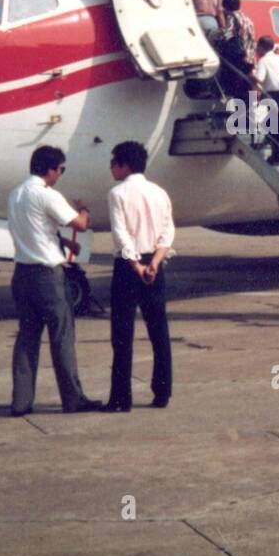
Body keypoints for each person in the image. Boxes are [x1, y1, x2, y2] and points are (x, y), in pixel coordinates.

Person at [6, 146, 103, 415]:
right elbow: (80, 225)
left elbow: (35, 230)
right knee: (61, 336)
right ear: (50, 170)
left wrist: (58, 240)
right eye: (61, 170)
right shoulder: (47, 195)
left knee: (27, 337)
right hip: (48, 276)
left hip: (22, 273)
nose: (60, 175)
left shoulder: (15, 194)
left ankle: (21, 401)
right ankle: (73, 399)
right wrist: (83, 209)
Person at [104, 141, 176, 412]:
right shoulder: (159, 192)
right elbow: (167, 232)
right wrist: (154, 263)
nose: (111, 168)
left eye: (113, 163)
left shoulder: (117, 193)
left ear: (124, 165)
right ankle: (162, 393)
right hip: (155, 265)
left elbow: (121, 235)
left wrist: (135, 266)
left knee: (122, 334)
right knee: (159, 330)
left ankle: (121, 398)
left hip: (128, 267)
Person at [253, 37, 279, 176]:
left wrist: (249, 76)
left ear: (261, 48)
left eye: (257, 47)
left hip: (274, 97)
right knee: (277, 130)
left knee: (277, 133)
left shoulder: (264, 61)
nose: (256, 50)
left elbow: (259, 79)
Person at [216, 0, 256, 103]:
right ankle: (248, 112)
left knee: (235, 86)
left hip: (239, 57)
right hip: (249, 58)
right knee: (245, 87)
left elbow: (227, 34)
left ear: (225, 6)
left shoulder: (232, 18)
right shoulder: (247, 19)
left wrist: (215, 36)